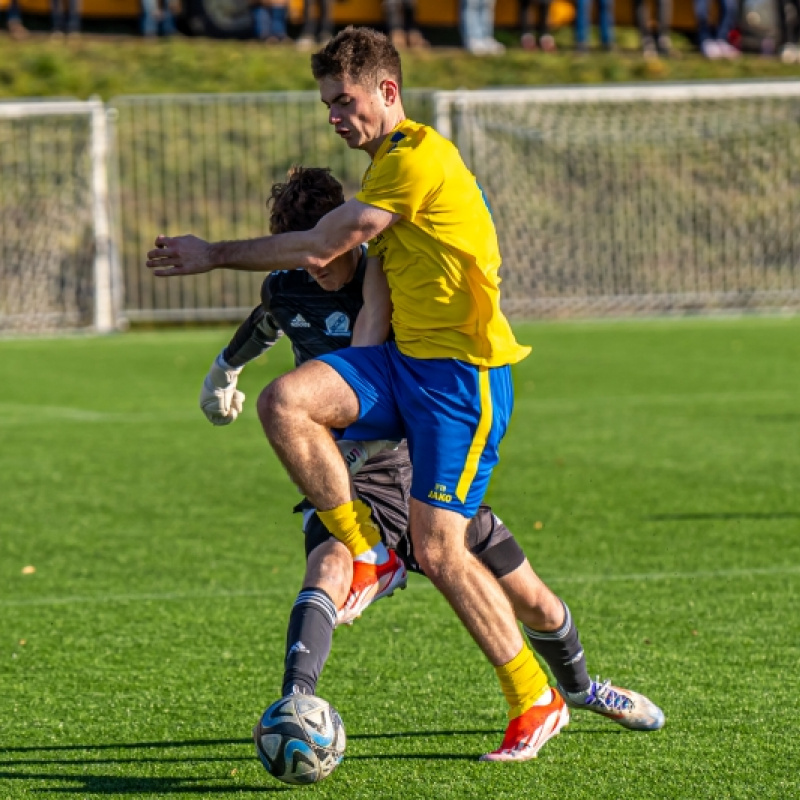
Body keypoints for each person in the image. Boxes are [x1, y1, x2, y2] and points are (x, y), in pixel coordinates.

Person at [146, 26, 662, 761]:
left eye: (344, 100)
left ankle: (543, 695)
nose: (334, 116)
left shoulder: (418, 159)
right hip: (404, 366)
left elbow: (330, 243)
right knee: (286, 402)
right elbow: (375, 300)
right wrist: (344, 390)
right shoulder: (386, 170)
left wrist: (213, 254)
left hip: (461, 382)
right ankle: (365, 551)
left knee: (444, 548)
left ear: (387, 91)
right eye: (326, 103)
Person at [202, 165, 666, 741]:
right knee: (329, 561)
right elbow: (264, 324)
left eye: (324, 251)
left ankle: (578, 689)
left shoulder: (385, 278)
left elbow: (389, 363)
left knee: (532, 600)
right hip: (343, 470)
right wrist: (225, 370)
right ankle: (295, 705)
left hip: (414, 464)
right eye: (303, 256)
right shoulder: (285, 283)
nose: (316, 265)